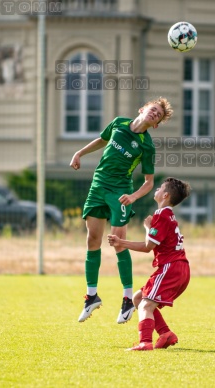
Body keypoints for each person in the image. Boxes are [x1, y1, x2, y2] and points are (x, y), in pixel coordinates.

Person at [70, 97, 173, 324]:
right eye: (153, 110)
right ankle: (91, 296)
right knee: (92, 240)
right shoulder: (119, 123)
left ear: (155, 125)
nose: (154, 114)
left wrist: (133, 196)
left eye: (158, 115)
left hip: (120, 192)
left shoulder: (147, 145)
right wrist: (79, 153)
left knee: (117, 242)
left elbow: (148, 182)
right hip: (98, 184)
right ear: (142, 109)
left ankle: (127, 299)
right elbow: (102, 140)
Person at [107, 177, 191, 351]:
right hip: (177, 267)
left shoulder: (161, 215)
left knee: (145, 305)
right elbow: (152, 244)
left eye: (159, 188)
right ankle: (166, 334)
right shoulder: (167, 215)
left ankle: (145, 342)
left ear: (165, 195)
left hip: (171, 267)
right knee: (138, 298)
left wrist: (121, 241)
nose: (157, 189)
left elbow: (148, 247)